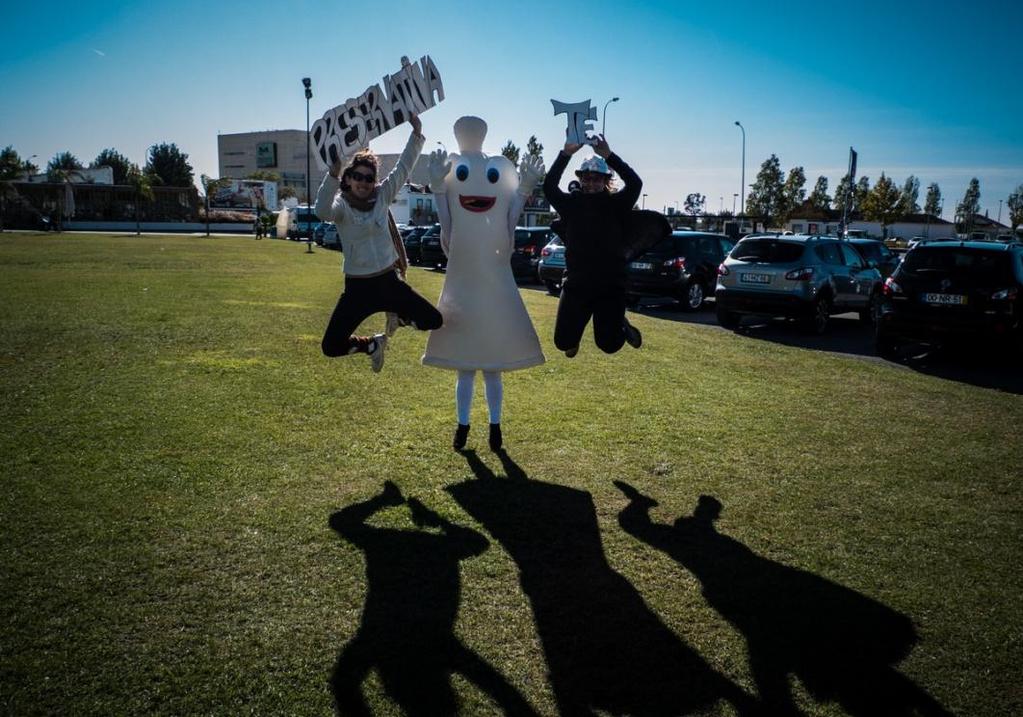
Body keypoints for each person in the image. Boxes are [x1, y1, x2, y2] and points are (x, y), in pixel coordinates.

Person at [422, 116, 545, 451]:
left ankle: (493, 426)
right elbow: (449, 231)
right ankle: (466, 426)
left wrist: (523, 190)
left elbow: (507, 230)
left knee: (489, 368)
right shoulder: (460, 177)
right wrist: (437, 189)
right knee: (470, 367)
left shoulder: (494, 174)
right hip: (464, 291)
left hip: (488, 290)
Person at [314, 113, 442, 372]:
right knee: (331, 346)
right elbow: (321, 211)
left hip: (388, 282)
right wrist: (332, 174)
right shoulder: (341, 207)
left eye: (369, 178)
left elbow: (403, 169)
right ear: (348, 179)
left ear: (375, 182)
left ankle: (399, 314)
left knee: (433, 320)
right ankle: (373, 345)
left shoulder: (382, 197)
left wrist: (416, 134)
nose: (363, 182)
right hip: (357, 289)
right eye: (357, 176)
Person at [542, 135, 643, 357]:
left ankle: (620, 324)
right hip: (576, 284)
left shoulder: (617, 204)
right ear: (580, 179)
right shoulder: (571, 204)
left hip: (610, 286)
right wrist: (565, 154)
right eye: (586, 179)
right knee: (563, 343)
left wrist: (608, 155)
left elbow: (635, 183)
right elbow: (549, 187)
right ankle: (575, 336)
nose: (590, 183)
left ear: (606, 181)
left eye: (596, 179)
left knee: (609, 345)